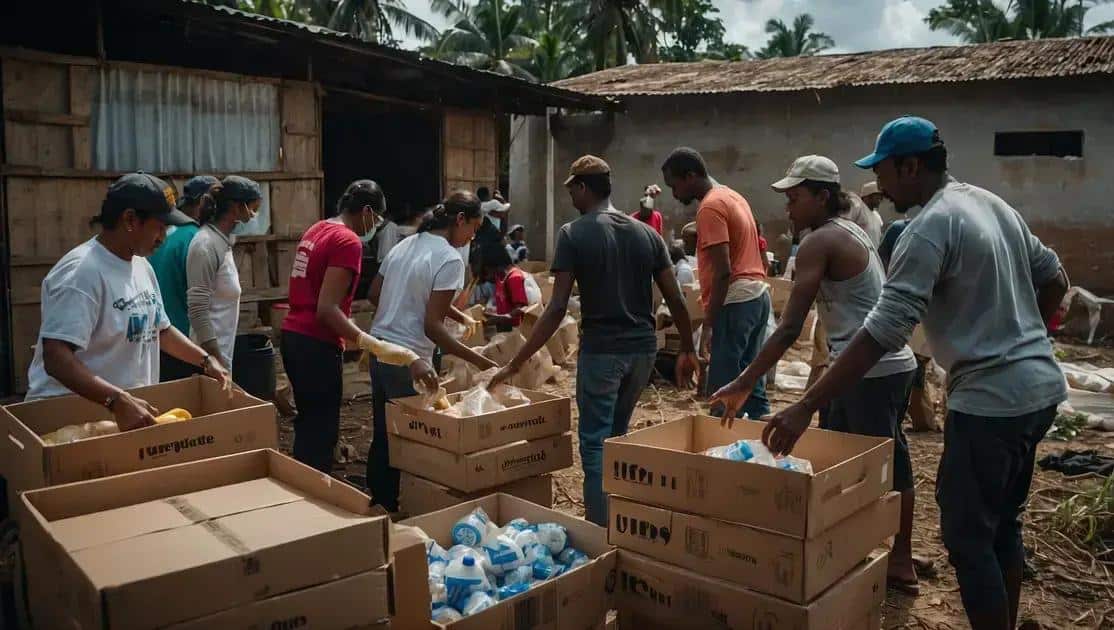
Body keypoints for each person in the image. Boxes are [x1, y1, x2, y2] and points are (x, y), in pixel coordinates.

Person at [762, 117, 1069, 630]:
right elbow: (1054, 278)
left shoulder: (928, 228)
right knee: (1001, 528)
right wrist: (1027, 339)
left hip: (990, 403)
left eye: (883, 172)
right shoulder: (991, 204)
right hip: (1039, 391)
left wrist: (804, 405)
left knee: (968, 540)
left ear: (910, 166)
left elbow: (882, 332)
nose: (879, 186)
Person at [711, 154, 921, 593]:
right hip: (874, 367)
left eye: (795, 197)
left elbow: (790, 326)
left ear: (823, 196)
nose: (788, 207)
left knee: (866, 467)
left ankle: (892, 559)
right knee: (877, 461)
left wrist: (746, 379)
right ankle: (877, 553)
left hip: (870, 371)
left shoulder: (820, 241)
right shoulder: (849, 232)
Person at [490, 155, 699, 526]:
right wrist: (688, 347)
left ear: (584, 188)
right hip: (642, 352)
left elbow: (555, 310)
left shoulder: (574, 234)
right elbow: (676, 299)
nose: (571, 196)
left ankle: (601, 536)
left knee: (594, 447)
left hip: (603, 352)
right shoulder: (647, 234)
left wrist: (517, 360)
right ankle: (620, 521)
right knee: (616, 440)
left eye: (572, 189)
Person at [26, 173, 231, 424]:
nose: (163, 237)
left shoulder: (141, 266)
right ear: (130, 219)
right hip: (73, 418)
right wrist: (115, 399)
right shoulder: (81, 273)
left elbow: (161, 330)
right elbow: (56, 357)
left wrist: (206, 361)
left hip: (122, 413)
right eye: (159, 227)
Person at [368, 191, 497, 511]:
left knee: (385, 432)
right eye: (474, 228)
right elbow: (431, 327)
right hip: (410, 360)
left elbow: (375, 293)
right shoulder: (450, 258)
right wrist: (480, 360)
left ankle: (379, 504)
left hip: (380, 348)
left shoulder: (406, 243)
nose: (472, 236)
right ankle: (409, 507)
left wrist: (457, 314)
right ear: (460, 220)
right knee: (414, 439)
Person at [282, 180, 393, 474]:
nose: (376, 226)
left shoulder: (317, 229)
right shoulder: (348, 241)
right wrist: (366, 341)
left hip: (293, 336)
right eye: (377, 219)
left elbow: (321, 297)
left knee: (308, 426)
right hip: (316, 344)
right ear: (367, 211)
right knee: (321, 435)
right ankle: (314, 505)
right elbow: (326, 309)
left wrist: (349, 327)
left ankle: (301, 490)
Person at [661, 147, 769, 419]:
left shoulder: (710, 207)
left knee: (722, 392)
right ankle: (760, 455)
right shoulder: (733, 196)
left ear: (690, 176)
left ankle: (719, 456)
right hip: (757, 296)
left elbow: (723, 271)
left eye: (674, 186)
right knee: (750, 387)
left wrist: (708, 323)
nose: (674, 194)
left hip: (735, 301)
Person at [186, 176, 261, 371]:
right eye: (253, 208)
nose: (254, 215)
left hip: (221, 357)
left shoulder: (223, 242)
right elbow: (197, 311)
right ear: (236, 208)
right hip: (206, 361)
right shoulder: (206, 244)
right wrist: (215, 360)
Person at [149, 175, 219, 381]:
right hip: (185, 344)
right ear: (203, 204)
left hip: (160, 342)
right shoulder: (197, 239)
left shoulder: (167, 235)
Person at [483, 244, 530, 331]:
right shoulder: (500, 278)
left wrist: (500, 319)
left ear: (495, 266)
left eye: (487, 271)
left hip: (515, 331)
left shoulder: (514, 278)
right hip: (504, 329)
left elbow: (520, 309)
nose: (487, 276)